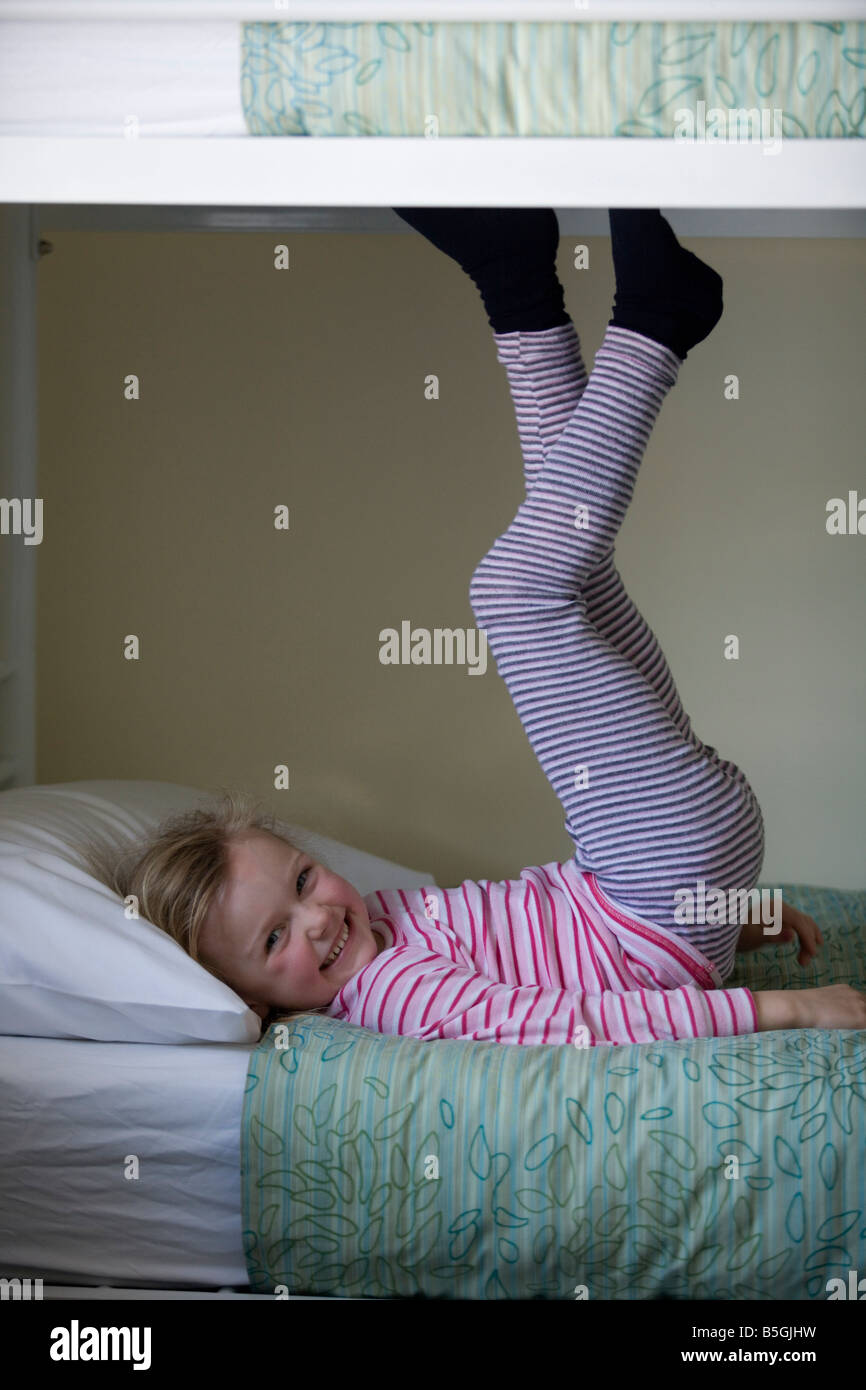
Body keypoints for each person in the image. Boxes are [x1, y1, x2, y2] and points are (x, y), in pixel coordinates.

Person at [87, 208, 866, 1046]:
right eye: (274, 940)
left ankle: (520, 289)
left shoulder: (380, 920)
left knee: (573, 574)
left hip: (653, 884)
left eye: (306, 880)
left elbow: (563, 930)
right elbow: (572, 1021)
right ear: (251, 998)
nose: (316, 920)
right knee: (512, 592)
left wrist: (726, 916)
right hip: (659, 877)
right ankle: (651, 323)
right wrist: (781, 1006)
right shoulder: (388, 995)